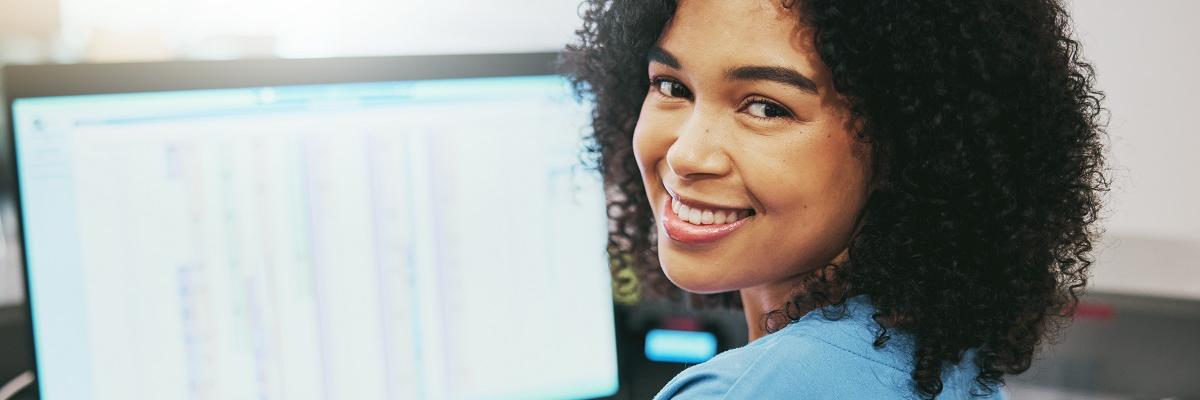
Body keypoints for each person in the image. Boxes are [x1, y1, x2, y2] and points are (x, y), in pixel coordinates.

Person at [561, 0, 1108, 398]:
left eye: (766, 107)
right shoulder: (943, 366)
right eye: (672, 87)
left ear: (907, 148)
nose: (686, 155)